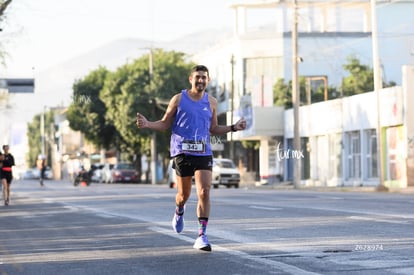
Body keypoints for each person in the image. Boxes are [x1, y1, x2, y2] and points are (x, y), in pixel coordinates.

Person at [136, 65, 246, 251]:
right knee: (183, 195)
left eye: (204, 77)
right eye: (197, 77)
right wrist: (148, 124)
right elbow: (164, 124)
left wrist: (233, 128)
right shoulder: (179, 99)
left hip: (203, 152)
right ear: (190, 79)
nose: (201, 80)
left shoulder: (211, 102)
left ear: (208, 80)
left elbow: (213, 129)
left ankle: (202, 236)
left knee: (204, 192)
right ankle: (179, 210)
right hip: (182, 151)